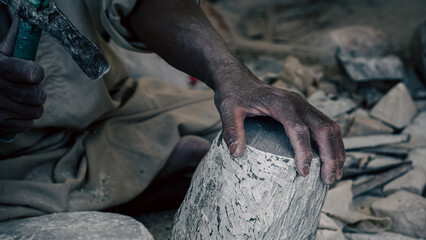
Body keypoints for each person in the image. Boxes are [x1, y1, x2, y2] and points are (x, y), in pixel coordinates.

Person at [0, 0, 345, 221]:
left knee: (264, 129)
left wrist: (231, 75)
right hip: (12, 161)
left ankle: (142, 174)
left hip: (111, 105)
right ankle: (134, 185)